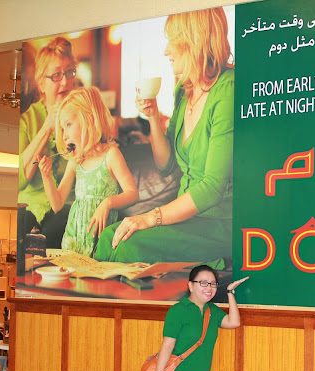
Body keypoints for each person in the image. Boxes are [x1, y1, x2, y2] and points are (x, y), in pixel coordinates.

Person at [94, 8, 234, 265]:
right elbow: (166, 164)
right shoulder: (184, 90)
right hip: (187, 217)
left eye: (173, 41)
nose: (166, 51)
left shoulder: (227, 90)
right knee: (108, 237)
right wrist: (152, 117)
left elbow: (212, 188)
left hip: (220, 223)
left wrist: (150, 218)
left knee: (128, 246)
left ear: (194, 41)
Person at [38, 87, 139, 256]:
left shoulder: (111, 155)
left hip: (101, 242)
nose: (64, 135)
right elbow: (57, 204)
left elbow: (133, 194)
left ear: (89, 120)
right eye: (62, 129)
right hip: (73, 242)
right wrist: (46, 176)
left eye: (68, 125)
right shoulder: (75, 160)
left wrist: (107, 203)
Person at [150, 265, 248, 371]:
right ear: (190, 285)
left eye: (213, 283)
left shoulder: (212, 311)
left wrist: (230, 292)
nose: (209, 287)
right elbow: (167, 347)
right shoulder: (178, 311)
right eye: (203, 283)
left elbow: (234, 322)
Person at [18, 37, 77, 250]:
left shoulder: (81, 116)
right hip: (32, 207)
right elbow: (19, 181)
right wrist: (47, 127)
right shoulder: (27, 120)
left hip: (66, 206)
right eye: (56, 75)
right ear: (41, 83)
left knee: (55, 229)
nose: (65, 82)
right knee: (20, 225)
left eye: (69, 73)